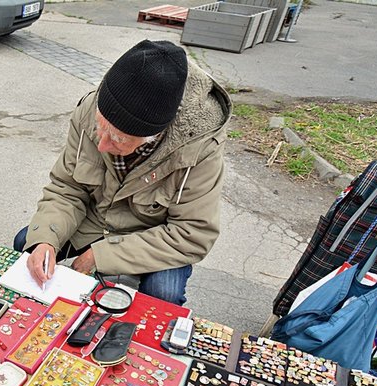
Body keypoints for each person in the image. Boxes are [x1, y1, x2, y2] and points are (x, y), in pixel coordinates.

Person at [14, 39, 231, 306]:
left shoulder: (200, 149)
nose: (102, 143)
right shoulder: (92, 108)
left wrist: (101, 256)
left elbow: (191, 233)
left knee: (164, 295)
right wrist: (46, 238)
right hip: (96, 219)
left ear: (153, 136)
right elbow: (67, 187)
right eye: (100, 127)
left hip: (153, 237)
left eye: (117, 139)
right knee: (29, 242)